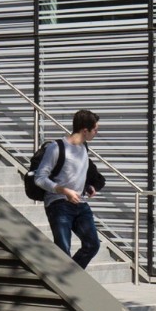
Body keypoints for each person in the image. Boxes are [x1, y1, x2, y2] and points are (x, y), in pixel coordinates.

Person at [34, 109, 102, 270]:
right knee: (63, 252)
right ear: (84, 130)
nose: (96, 133)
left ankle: (71, 276)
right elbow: (39, 178)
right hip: (58, 204)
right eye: (95, 130)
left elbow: (73, 174)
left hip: (79, 203)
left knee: (92, 244)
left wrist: (88, 187)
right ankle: (65, 279)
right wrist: (65, 191)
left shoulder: (84, 147)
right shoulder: (56, 148)